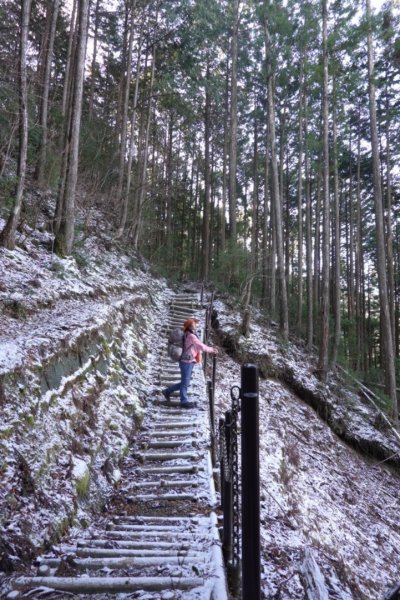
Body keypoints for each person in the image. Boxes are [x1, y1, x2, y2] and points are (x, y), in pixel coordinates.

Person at [162, 318, 218, 409]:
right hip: (186, 362)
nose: (196, 325)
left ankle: (167, 391)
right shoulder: (191, 336)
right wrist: (212, 350)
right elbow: (201, 346)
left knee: (185, 382)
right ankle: (183, 401)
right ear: (190, 327)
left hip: (188, 361)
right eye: (194, 324)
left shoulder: (189, 334)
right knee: (185, 383)